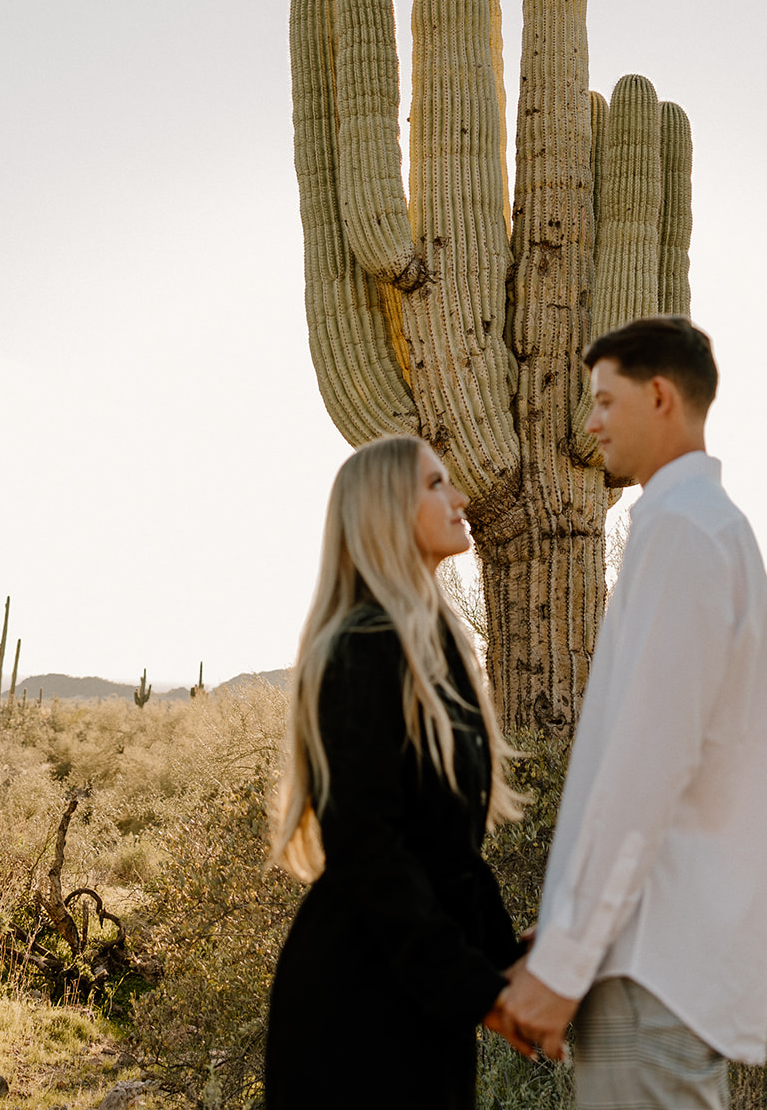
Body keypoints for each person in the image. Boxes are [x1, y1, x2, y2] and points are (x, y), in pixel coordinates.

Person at [499, 316, 767, 1109]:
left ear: (659, 395)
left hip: (648, 966)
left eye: (603, 400)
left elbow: (645, 773)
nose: (589, 422)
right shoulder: (707, 528)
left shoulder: (682, 533)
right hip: (658, 959)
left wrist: (562, 965)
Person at [265, 434, 531, 1110]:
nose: (461, 497)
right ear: (386, 510)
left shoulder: (435, 644)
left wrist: (508, 969)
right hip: (355, 1007)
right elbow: (369, 852)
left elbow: (450, 856)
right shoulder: (362, 646)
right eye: (436, 483)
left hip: (415, 997)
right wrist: (485, 996)